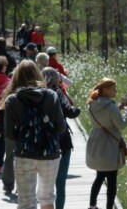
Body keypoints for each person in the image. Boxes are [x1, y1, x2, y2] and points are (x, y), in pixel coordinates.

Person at [4, 60, 66, 209]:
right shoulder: (51, 95)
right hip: (49, 154)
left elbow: (10, 135)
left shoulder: (12, 100)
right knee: (47, 198)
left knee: (26, 201)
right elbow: (61, 127)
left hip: (24, 153)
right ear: (38, 74)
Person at [85, 78, 127, 209]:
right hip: (109, 144)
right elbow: (120, 125)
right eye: (113, 89)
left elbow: (103, 118)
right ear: (105, 89)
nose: (116, 92)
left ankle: (92, 205)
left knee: (99, 176)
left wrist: (118, 108)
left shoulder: (92, 103)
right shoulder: (110, 106)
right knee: (112, 179)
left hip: (95, 141)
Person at [41, 67, 81, 209]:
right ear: (57, 79)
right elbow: (70, 112)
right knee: (60, 182)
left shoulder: (36, 94)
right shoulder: (57, 92)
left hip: (41, 143)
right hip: (61, 142)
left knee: (45, 183)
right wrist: (77, 110)